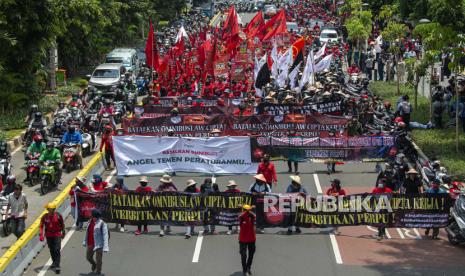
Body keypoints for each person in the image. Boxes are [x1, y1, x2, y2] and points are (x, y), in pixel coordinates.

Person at [39, 202, 65, 274]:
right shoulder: (44, 217)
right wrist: (41, 234)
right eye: (50, 209)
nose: (52, 211)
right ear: (48, 209)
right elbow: (41, 226)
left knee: (57, 249)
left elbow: (62, 224)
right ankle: (54, 261)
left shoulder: (58, 216)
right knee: (51, 249)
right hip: (49, 235)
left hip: (57, 234)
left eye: (53, 209)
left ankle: (57, 265)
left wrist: (63, 232)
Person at [83, 209, 109, 276]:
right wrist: (84, 241)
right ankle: (94, 264)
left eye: (96, 217)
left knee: (99, 260)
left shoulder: (103, 224)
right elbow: (87, 233)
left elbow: (105, 236)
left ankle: (98, 272)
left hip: (99, 245)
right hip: (90, 243)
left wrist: (106, 247)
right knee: (88, 257)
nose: (94, 218)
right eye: (93, 217)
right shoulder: (89, 222)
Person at [239, 204, 256, 276]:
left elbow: (255, 216)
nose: (247, 212)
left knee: (251, 254)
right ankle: (244, 269)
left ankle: (248, 267)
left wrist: (250, 209)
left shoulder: (252, 216)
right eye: (246, 210)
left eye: (247, 210)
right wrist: (247, 208)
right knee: (243, 255)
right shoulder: (241, 217)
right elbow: (241, 215)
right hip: (243, 239)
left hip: (251, 239)